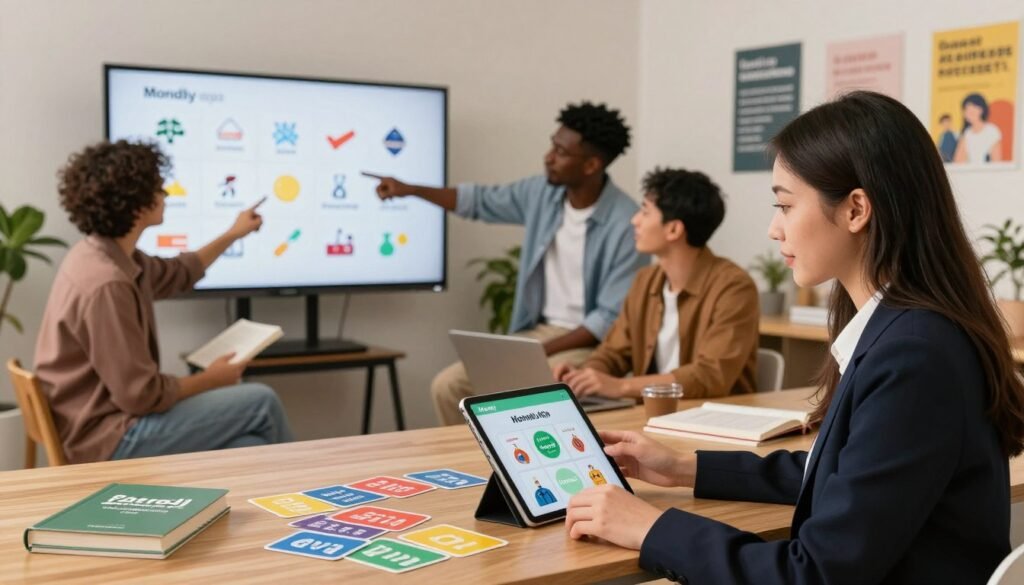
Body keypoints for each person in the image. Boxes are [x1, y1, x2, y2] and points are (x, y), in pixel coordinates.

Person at [564, 91, 1024, 583]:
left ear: (856, 210)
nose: (773, 228)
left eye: (785, 205)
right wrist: (682, 468)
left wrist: (651, 528)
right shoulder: (909, 330)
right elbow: (841, 472)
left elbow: (813, 574)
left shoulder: (915, 356)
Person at [371, 102, 647, 425]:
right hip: (538, 335)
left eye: (561, 151)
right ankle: (479, 469)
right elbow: (479, 201)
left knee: (537, 392)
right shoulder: (542, 193)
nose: (549, 156)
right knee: (449, 387)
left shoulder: (628, 223)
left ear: (591, 165)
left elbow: (607, 319)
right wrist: (411, 190)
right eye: (552, 145)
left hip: (588, 346)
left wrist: (542, 350)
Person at [35, 140, 294, 464]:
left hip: (102, 423)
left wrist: (233, 233)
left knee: (250, 442)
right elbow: (140, 396)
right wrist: (212, 380)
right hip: (107, 438)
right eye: (159, 187)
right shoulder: (108, 284)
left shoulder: (104, 255)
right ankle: (306, 504)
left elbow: (178, 273)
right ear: (137, 205)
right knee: (261, 401)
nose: (166, 195)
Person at [553, 167, 758, 400]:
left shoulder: (734, 287)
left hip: (713, 421)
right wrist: (584, 376)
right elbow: (614, 352)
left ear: (673, 229)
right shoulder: (645, 280)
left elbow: (709, 376)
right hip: (651, 416)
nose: (635, 220)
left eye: (645, 212)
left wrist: (621, 387)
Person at [953, 93, 1003, 164]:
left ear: (982, 110)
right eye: (966, 109)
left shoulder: (992, 131)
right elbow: (958, 162)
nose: (969, 112)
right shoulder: (967, 133)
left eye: (974, 108)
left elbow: (997, 161)